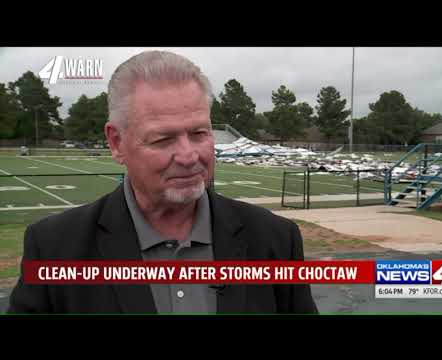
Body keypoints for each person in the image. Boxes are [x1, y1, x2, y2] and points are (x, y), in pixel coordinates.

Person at [7, 50, 318, 314]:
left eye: (199, 134)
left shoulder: (275, 240)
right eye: (163, 139)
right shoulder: (55, 247)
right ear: (117, 142)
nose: (188, 155)